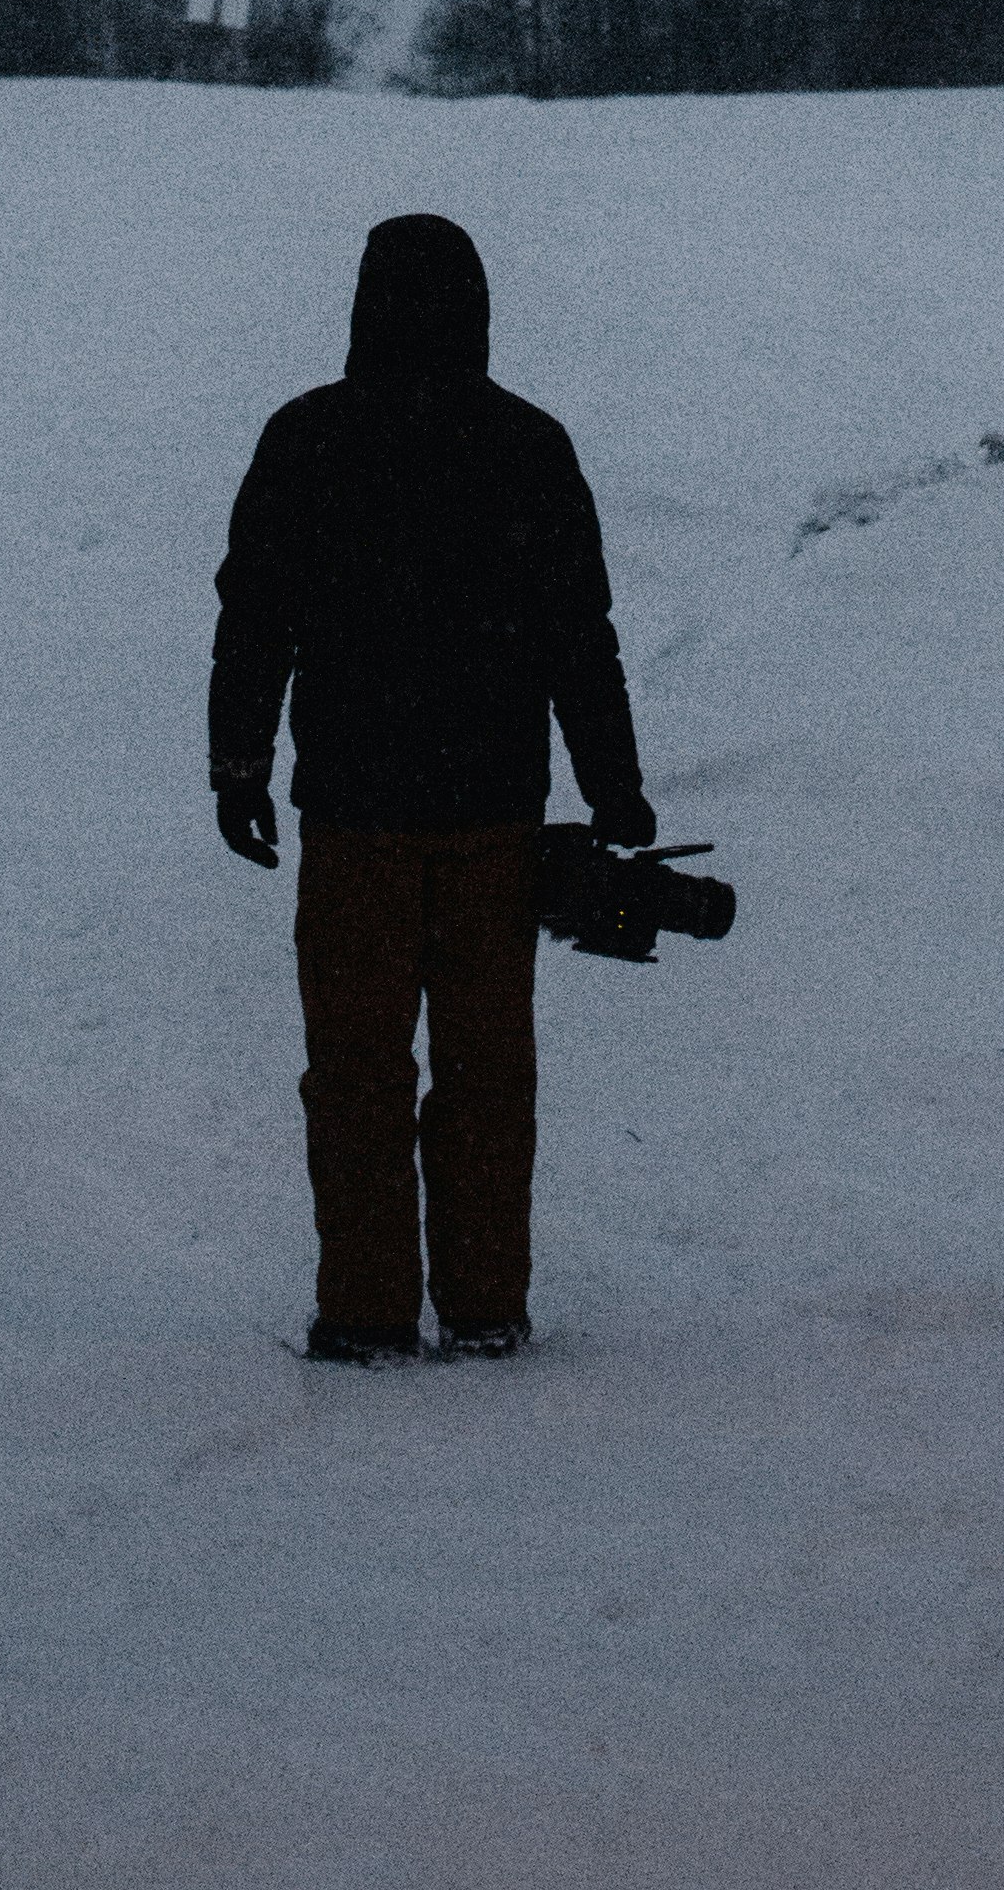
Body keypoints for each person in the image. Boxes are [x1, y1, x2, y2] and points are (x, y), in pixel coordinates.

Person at [207, 212, 652, 1364]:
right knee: (488, 1073)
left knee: (355, 1070)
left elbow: (254, 620)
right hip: (492, 815)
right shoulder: (527, 445)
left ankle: (364, 1313)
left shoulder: (308, 437)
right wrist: (616, 789)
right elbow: (578, 637)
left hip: (353, 814)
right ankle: (486, 1307)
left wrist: (238, 766)